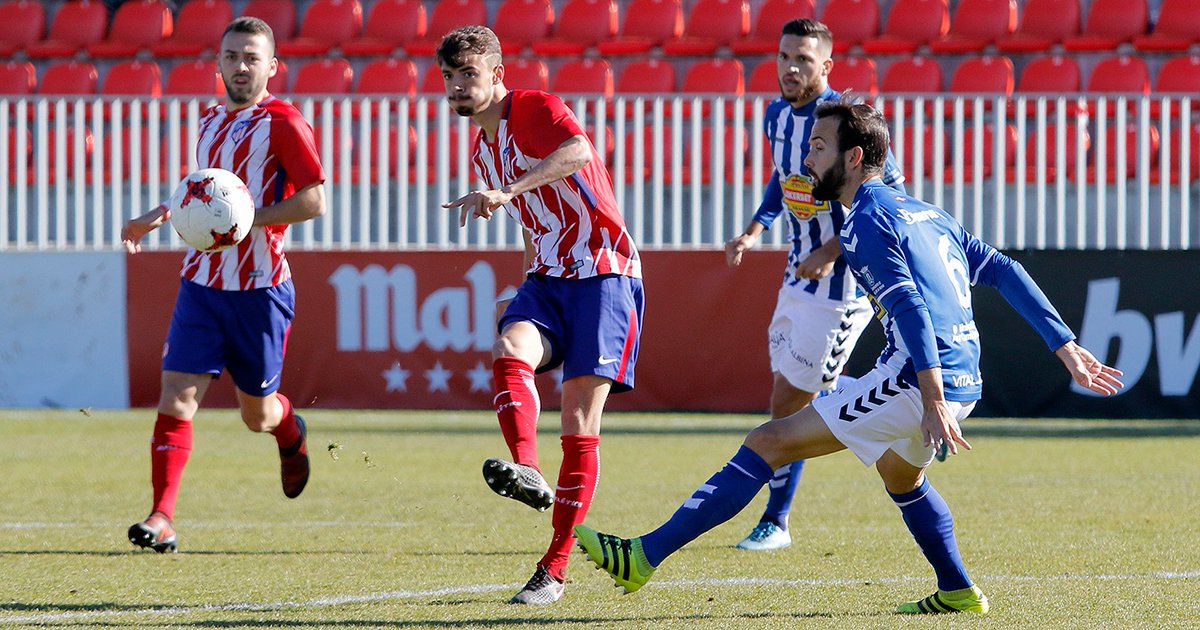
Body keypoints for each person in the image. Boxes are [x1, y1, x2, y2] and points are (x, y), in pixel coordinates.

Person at [576, 97, 1123, 615]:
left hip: (918, 381)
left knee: (768, 441)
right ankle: (957, 591)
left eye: (818, 146)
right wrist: (1065, 345)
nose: (808, 156)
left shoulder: (864, 221)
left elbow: (909, 305)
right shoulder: (927, 213)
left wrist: (929, 397)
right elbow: (1003, 268)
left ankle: (642, 557)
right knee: (900, 476)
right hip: (961, 379)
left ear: (854, 158)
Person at [438, 26, 644, 605]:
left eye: (468, 75)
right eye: (450, 77)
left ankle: (553, 569)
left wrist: (509, 190)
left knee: (578, 420)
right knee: (510, 353)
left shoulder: (535, 108)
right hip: (549, 276)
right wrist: (525, 275)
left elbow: (579, 151)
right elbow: (534, 217)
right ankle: (527, 470)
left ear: (497, 74)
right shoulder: (482, 146)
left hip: (606, 274)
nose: (457, 86)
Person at [120, 16, 326, 553]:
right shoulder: (210, 119)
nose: (241, 66)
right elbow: (204, 195)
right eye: (232, 56)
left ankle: (288, 431)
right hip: (201, 285)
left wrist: (248, 221)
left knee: (256, 415)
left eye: (252, 57)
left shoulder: (284, 122)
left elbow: (314, 199)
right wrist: (158, 215)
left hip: (260, 290)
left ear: (271, 66)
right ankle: (162, 516)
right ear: (218, 63)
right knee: (176, 395)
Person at [724, 18, 906, 551]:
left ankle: (775, 521)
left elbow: (889, 199)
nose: (790, 68)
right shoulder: (776, 116)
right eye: (783, 57)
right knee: (802, 392)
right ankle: (897, 415)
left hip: (843, 286)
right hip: (796, 273)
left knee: (788, 403)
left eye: (803, 59)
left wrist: (834, 248)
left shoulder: (850, 125)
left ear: (826, 66)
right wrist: (755, 229)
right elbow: (787, 180)